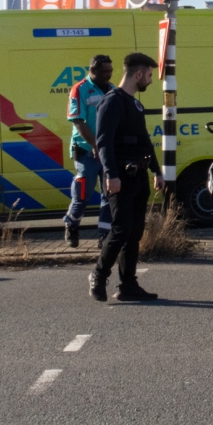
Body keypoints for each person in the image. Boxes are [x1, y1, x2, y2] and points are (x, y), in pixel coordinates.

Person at [89, 53, 165, 303]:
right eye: (150, 75)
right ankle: (98, 276)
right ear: (138, 74)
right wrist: (110, 174)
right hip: (119, 176)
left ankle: (128, 285)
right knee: (120, 230)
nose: (151, 80)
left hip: (138, 175)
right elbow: (103, 143)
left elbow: (144, 141)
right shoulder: (112, 102)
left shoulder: (135, 104)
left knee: (134, 232)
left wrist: (156, 170)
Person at [63, 54, 114, 248]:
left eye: (110, 71)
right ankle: (71, 224)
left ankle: (104, 236)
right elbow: (78, 121)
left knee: (109, 194)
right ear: (93, 70)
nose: (109, 75)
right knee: (82, 195)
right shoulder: (80, 90)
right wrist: (95, 145)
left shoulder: (112, 90)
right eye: (104, 72)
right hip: (86, 150)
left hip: (107, 150)